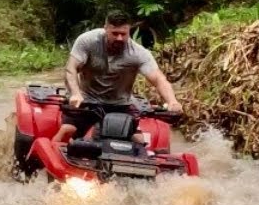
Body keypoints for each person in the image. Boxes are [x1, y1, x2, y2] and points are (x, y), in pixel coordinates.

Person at [52, 11, 182, 144]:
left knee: (138, 141)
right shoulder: (87, 41)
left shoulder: (138, 53)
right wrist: (75, 93)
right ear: (106, 29)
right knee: (68, 130)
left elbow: (158, 79)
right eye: (115, 33)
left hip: (119, 104)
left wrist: (172, 101)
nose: (119, 38)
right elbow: (71, 68)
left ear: (129, 31)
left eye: (123, 34)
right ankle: (44, 159)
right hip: (85, 99)